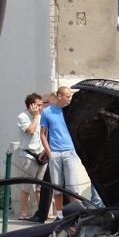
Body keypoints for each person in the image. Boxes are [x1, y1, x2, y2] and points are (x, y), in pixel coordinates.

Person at [40, 86, 80, 220]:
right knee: (57, 186)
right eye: (67, 96)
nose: (70, 99)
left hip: (70, 151)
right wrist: (49, 152)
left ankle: (74, 214)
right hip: (55, 152)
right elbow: (43, 134)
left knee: (72, 185)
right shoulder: (47, 112)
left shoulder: (71, 111)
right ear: (59, 96)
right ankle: (60, 215)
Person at [15, 93, 47, 219]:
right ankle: (24, 213)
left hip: (42, 154)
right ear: (31, 105)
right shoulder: (23, 117)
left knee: (41, 186)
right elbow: (31, 131)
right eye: (38, 105)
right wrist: (35, 117)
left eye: (41, 105)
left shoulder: (43, 115)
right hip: (29, 155)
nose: (40, 107)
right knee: (27, 185)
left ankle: (42, 212)